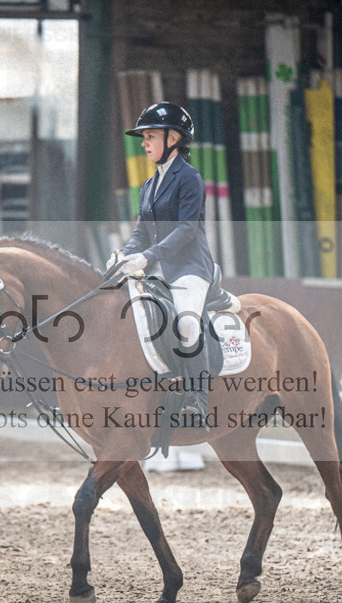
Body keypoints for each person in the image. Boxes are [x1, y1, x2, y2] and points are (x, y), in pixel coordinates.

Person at [108, 101, 214, 429]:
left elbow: (187, 229)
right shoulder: (149, 186)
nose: (144, 143)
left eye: (150, 136)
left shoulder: (190, 178)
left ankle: (198, 401)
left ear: (173, 138)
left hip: (189, 268)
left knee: (186, 324)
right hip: (157, 270)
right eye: (144, 137)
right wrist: (124, 255)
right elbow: (141, 234)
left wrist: (149, 256)